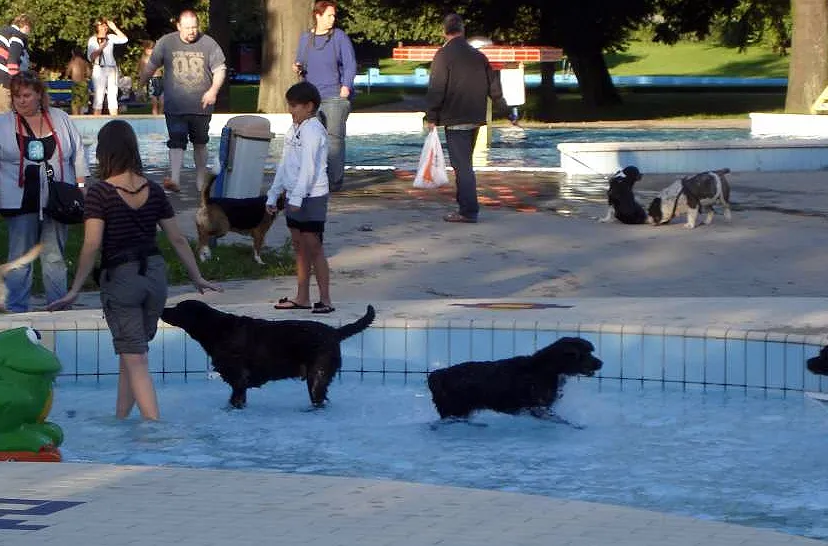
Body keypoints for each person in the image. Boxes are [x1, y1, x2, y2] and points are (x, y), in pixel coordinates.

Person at [47, 120, 222, 420]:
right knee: (132, 354)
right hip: (154, 277)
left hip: (122, 278)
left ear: (104, 153)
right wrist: (196, 276)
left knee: (135, 358)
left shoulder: (100, 193)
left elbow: (91, 246)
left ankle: (154, 430)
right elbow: (177, 238)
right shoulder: (152, 190)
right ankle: (121, 421)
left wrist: (74, 290)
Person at [0, 71, 89, 312]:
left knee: (54, 257)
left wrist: (81, 187)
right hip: (19, 201)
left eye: (27, 95)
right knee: (20, 258)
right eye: (16, 96)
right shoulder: (4, 124)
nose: (21, 101)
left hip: (57, 200)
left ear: (39, 94)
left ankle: (58, 307)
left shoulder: (60, 119)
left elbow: (78, 153)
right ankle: (16, 310)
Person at [425, 13, 507, 224]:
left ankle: (468, 210)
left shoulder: (443, 56)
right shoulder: (478, 56)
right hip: (475, 116)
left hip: (454, 118)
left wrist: (431, 115)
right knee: (465, 163)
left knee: (462, 167)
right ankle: (465, 206)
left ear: (444, 32)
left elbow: (437, 88)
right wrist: (505, 111)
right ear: (462, 30)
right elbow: (494, 88)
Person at [139, 9, 226, 194]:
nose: (191, 31)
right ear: (178, 26)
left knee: (200, 142)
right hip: (175, 106)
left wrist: (213, 90)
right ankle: (175, 179)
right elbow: (151, 65)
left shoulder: (209, 43)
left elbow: (220, 69)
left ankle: (201, 178)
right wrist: (140, 84)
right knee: (176, 141)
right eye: (187, 28)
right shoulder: (166, 42)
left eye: (194, 27)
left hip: (201, 105)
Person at [267, 81, 334, 314]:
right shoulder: (293, 129)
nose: (290, 110)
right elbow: (285, 164)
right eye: (289, 105)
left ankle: (325, 300)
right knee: (298, 247)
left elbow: (309, 166)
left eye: (295, 106)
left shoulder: (313, 130)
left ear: (309, 106)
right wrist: (273, 194)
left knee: (313, 247)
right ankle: (302, 297)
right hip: (294, 194)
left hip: (312, 196)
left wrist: (296, 198)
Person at [294, 1, 356, 192]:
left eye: (334, 16)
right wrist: (297, 68)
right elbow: (301, 64)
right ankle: (313, 179)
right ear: (318, 16)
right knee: (310, 140)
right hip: (311, 98)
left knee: (334, 141)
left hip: (333, 97)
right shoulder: (306, 39)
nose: (333, 19)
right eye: (329, 15)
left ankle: (334, 182)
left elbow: (350, 63)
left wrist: (346, 87)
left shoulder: (339, 37)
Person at [86, 18, 128, 116]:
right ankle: (96, 123)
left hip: (112, 68)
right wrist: (101, 47)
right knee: (99, 96)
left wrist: (115, 28)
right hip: (99, 68)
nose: (105, 27)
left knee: (113, 96)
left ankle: (114, 121)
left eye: (106, 25)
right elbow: (90, 57)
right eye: (102, 25)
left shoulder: (111, 37)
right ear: (97, 27)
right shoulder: (92, 40)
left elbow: (124, 39)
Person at [0, 14, 32, 112]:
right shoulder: (18, 35)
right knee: (7, 118)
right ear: (26, 27)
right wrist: (16, 84)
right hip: (5, 81)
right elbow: (13, 61)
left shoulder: (3, 31)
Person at [138, 40, 163, 115]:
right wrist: (141, 85)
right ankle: (155, 117)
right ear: (145, 49)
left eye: (153, 49)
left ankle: (161, 115)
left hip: (160, 79)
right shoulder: (144, 59)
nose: (151, 51)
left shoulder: (157, 57)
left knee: (162, 101)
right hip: (151, 80)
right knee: (154, 102)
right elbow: (142, 72)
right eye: (149, 49)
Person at [64, 47, 90, 115]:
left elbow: (67, 73)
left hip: (76, 85)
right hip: (84, 85)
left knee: (75, 104)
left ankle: (76, 119)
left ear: (73, 53)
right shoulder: (85, 62)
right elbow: (89, 74)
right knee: (82, 105)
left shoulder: (72, 62)